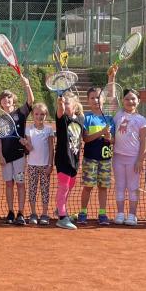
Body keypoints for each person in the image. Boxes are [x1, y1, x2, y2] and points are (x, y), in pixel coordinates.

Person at [78, 67, 117, 226]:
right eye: (92, 98)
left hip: (106, 160)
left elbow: (113, 141)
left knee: (103, 187)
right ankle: (83, 212)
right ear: (87, 101)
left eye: (98, 97)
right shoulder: (86, 118)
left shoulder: (109, 117)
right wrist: (101, 132)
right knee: (88, 186)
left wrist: (109, 138)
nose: (95, 100)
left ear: (103, 100)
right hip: (90, 159)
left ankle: (102, 213)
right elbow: (85, 138)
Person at [0, 77, 35, 224]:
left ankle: (20, 212)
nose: (6, 100)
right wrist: (0, 155)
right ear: (0, 102)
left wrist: (27, 84)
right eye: (3, 98)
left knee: (20, 183)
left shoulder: (21, 113)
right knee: (8, 184)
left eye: (9, 97)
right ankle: (11, 212)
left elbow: (31, 101)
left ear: (13, 100)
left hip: (19, 155)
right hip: (5, 158)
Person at [112, 88, 146, 226]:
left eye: (133, 99)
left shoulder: (141, 120)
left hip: (133, 159)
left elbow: (145, 141)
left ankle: (132, 215)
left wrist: (140, 159)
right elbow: (111, 96)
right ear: (122, 100)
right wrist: (112, 77)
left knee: (133, 187)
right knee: (120, 186)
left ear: (138, 101)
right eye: (127, 99)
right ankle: (120, 214)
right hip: (118, 158)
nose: (130, 101)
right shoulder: (117, 115)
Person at [54, 91, 83, 230]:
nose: (64, 106)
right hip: (63, 158)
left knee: (70, 186)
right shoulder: (62, 119)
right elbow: (60, 111)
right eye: (63, 103)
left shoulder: (79, 119)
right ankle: (62, 217)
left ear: (75, 105)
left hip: (75, 159)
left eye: (67, 103)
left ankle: (60, 209)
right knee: (64, 187)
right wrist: (60, 104)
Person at [22, 102, 54, 226]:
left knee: (45, 190)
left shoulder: (49, 130)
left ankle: (45, 214)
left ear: (46, 115)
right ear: (32, 115)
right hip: (32, 166)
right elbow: (30, 148)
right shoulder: (28, 129)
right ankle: (33, 213)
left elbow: (51, 148)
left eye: (42, 114)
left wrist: (50, 165)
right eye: (36, 114)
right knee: (32, 190)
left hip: (45, 166)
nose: (39, 116)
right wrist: (25, 143)